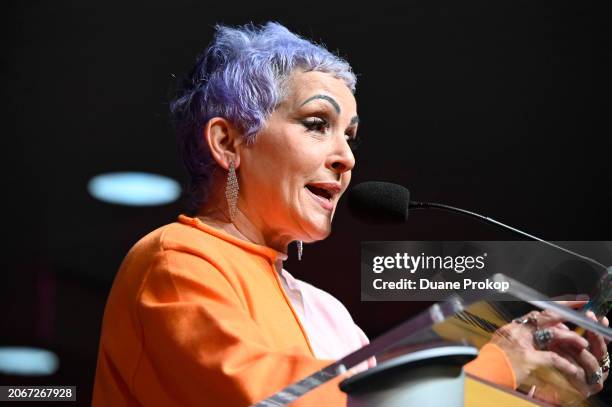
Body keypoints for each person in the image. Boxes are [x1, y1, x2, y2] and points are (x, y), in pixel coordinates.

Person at [92, 22, 609, 406]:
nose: (347, 158)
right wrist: (498, 362)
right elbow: (273, 398)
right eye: (317, 123)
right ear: (228, 142)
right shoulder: (177, 261)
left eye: (350, 135)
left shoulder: (329, 313)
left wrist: (540, 382)